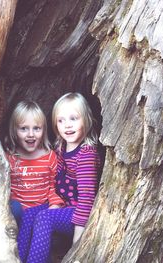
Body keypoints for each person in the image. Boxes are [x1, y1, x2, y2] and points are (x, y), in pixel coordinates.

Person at [18, 92, 100, 263]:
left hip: (78, 214)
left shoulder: (86, 155)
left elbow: (86, 200)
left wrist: (77, 242)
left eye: (73, 119)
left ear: (86, 119)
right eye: (61, 120)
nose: (67, 126)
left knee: (44, 217)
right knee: (29, 215)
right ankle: (17, 259)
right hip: (64, 206)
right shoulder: (62, 146)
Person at [6, 100, 63, 226]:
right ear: (14, 130)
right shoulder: (10, 158)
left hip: (40, 212)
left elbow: (52, 187)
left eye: (36, 128)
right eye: (24, 129)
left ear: (43, 130)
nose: (31, 134)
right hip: (17, 214)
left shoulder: (50, 157)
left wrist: (54, 205)